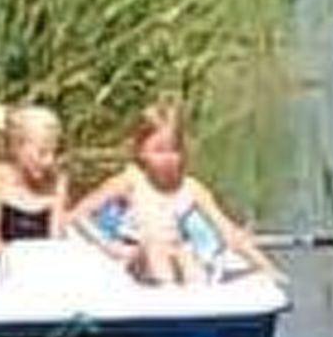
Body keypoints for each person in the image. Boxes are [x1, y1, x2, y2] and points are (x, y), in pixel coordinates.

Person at [67, 103, 280, 285]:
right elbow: (78, 216)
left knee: (186, 254)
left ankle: (195, 305)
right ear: (141, 151)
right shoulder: (130, 181)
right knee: (155, 248)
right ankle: (166, 296)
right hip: (139, 256)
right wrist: (111, 247)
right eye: (159, 151)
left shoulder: (191, 188)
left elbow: (229, 232)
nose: (168, 158)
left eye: (174, 150)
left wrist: (266, 268)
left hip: (176, 250)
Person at [0, 103, 68, 249]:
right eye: (42, 153)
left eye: (54, 153)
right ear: (18, 147)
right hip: (1, 259)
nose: (49, 161)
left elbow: (55, 238)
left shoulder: (57, 181)